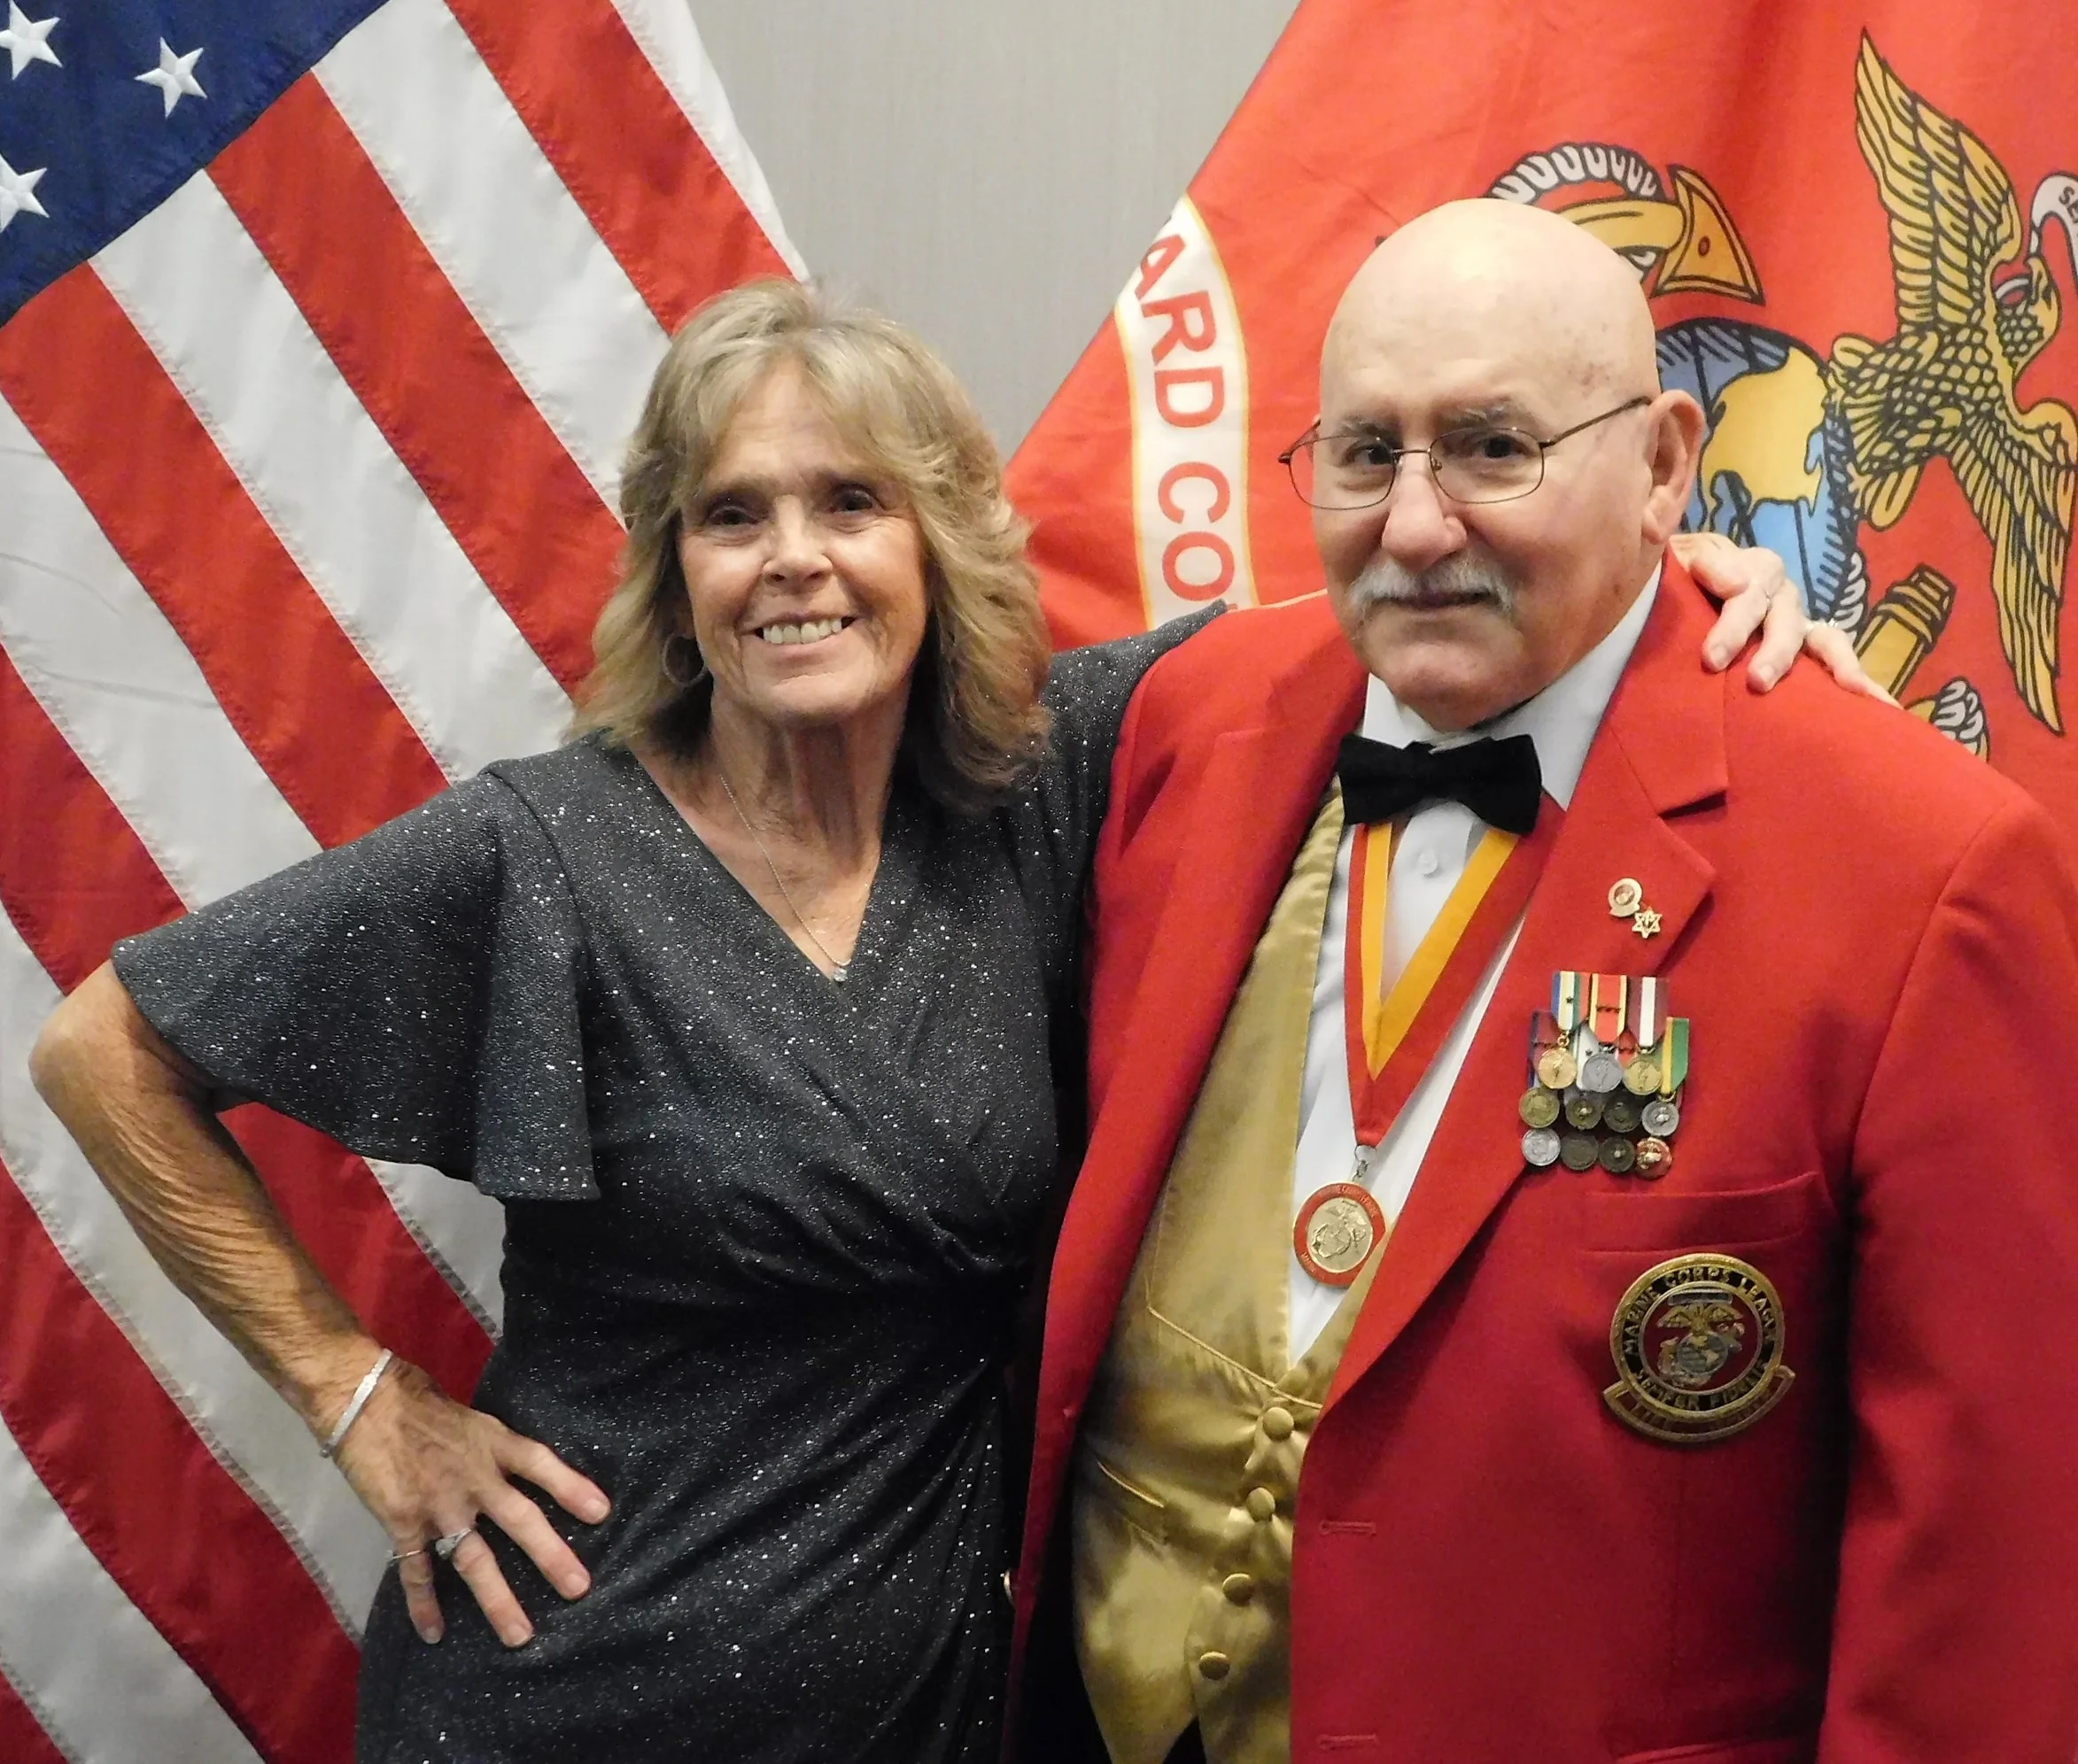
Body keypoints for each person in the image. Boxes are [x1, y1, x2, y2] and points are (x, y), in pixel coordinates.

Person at [31, 280, 1840, 1761]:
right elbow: (101, 1051)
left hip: (937, 1712)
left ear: (939, 543)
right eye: (731, 515)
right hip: (575, 1689)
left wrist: (1676, 573)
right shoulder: (542, 851)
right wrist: (362, 1398)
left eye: (850, 503)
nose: (793, 560)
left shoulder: (1050, 779)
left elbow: (1403, 595)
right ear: (673, 568)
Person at [1008, 200, 2078, 1764]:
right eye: (1366, 453)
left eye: (1494, 448)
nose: (1416, 525)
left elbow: (1985, 1561)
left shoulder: (1922, 868)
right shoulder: (1187, 718)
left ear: (1667, 464)